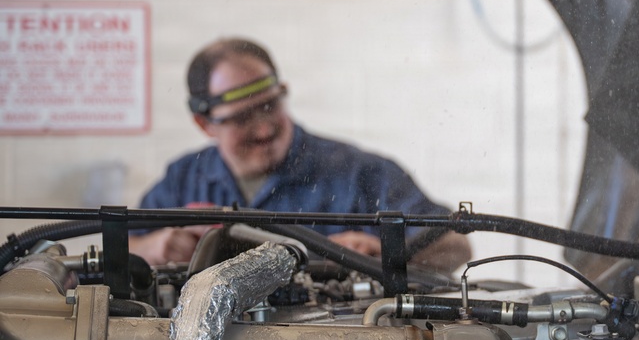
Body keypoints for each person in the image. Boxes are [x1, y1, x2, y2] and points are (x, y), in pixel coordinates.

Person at [128, 37, 471, 272]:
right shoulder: (183, 180)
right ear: (205, 124)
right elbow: (119, 248)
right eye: (243, 118)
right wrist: (151, 249)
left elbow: (456, 245)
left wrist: (387, 254)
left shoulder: (360, 173)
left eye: (269, 106)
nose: (263, 129)